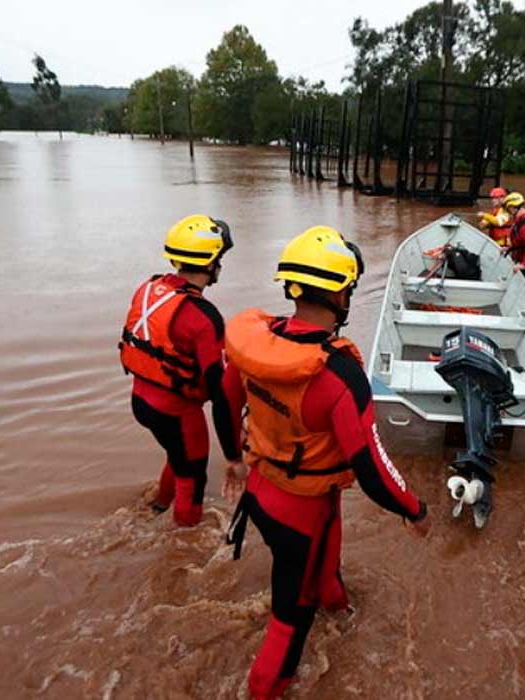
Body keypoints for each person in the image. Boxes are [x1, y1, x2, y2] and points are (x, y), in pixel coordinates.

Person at [223, 226, 430, 700]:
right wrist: (416, 509)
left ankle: (340, 613)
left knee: (325, 574)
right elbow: (374, 469)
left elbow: (224, 399)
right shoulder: (339, 375)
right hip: (301, 512)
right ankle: (265, 690)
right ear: (340, 293)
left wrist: (233, 460)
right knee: (288, 620)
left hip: (260, 493)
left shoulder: (257, 345)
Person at [118, 214, 242, 527]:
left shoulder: (150, 287)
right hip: (177, 413)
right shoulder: (203, 317)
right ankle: (182, 549)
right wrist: (233, 456)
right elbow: (220, 395)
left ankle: (157, 508)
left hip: (141, 401)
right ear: (212, 263)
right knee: (193, 478)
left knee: (177, 455)